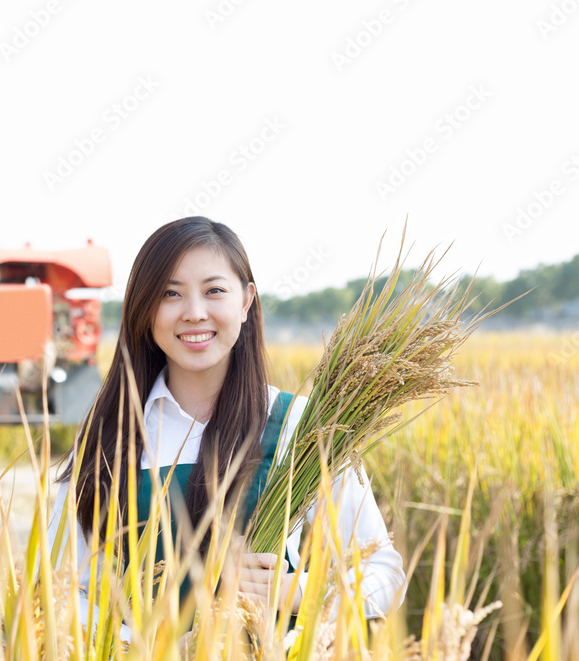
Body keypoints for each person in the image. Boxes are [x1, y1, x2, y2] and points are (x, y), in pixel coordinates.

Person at [46, 217, 405, 639]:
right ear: (144, 309)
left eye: (214, 291)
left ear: (247, 301)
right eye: (170, 293)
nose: (194, 313)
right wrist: (144, 649)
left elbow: (386, 574)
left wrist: (296, 591)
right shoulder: (109, 437)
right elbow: (61, 590)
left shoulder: (301, 427)